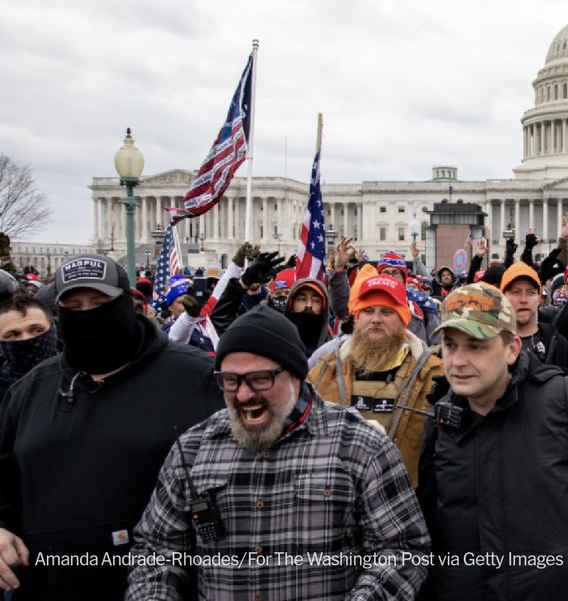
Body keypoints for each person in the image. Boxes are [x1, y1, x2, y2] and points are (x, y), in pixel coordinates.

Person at [127, 307, 431, 599]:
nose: (244, 395)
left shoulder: (359, 444)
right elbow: (156, 550)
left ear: (296, 375)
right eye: (231, 381)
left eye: (260, 378)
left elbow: (402, 548)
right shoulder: (192, 449)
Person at [0, 255, 223, 600]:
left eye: (100, 303)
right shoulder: (30, 390)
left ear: (127, 304)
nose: (87, 314)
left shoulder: (197, 379)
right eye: (73, 306)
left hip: (171, 586)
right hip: (50, 587)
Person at [417, 283, 568, 600]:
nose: (457, 361)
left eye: (475, 346)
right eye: (450, 345)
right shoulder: (440, 422)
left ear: (512, 349)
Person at [308, 274, 444, 484]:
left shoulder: (433, 375)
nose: (376, 320)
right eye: (368, 311)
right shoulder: (323, 372)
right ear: (356, 318)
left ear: (403, 319)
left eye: (387, 312)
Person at [499, 262, 568, 373]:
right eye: (515, 292)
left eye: (530, 293)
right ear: (503, 298)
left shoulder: (557, 343)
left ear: (539, 299)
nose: (523, 299)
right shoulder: (492, 344)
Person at [0, 294, 57, 401]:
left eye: (37, 330)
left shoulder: (81, 377)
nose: (25, 339)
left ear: (53, 331)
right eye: (13, 335)